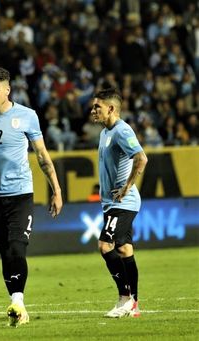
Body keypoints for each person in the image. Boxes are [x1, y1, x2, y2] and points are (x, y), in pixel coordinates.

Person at [0, 67, 63, 327]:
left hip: (20, 193)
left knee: (17, 246)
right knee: (4, 253)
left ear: (7, 90)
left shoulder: (27, 116)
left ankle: (18, 302)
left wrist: (56, 189)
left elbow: (42, 155)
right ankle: (16, 302)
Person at [91, 88, 148, 318]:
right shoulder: (106, 132)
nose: (93, 110)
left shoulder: (122, 131)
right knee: (124, 249)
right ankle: (133, 304)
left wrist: (126, 187)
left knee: (105, 245)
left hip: (123, 202)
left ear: (111, 108)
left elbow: (141, 158)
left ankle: (125, 298)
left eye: (98, 106)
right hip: (111, 203)